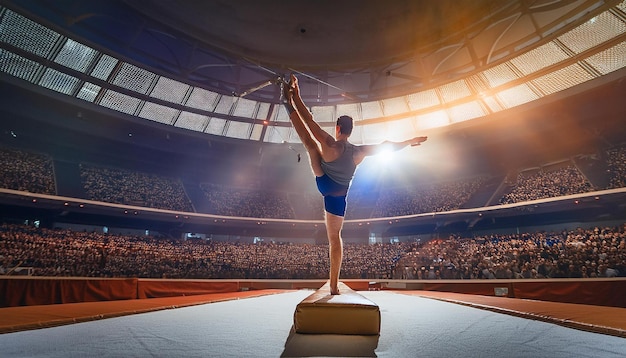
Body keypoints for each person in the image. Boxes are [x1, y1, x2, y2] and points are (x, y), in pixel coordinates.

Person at [282, 74, 428, 294]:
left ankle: (286, 105)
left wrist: (296, 98)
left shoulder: (330, 142)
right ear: (350, 131)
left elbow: (309, 123)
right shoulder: (359, 151)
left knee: (311, 145)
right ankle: (333, 285)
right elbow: (386, 146)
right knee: (334, 238)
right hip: (337, 195)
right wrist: (407, 142)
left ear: (338, 128)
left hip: (323, 178)